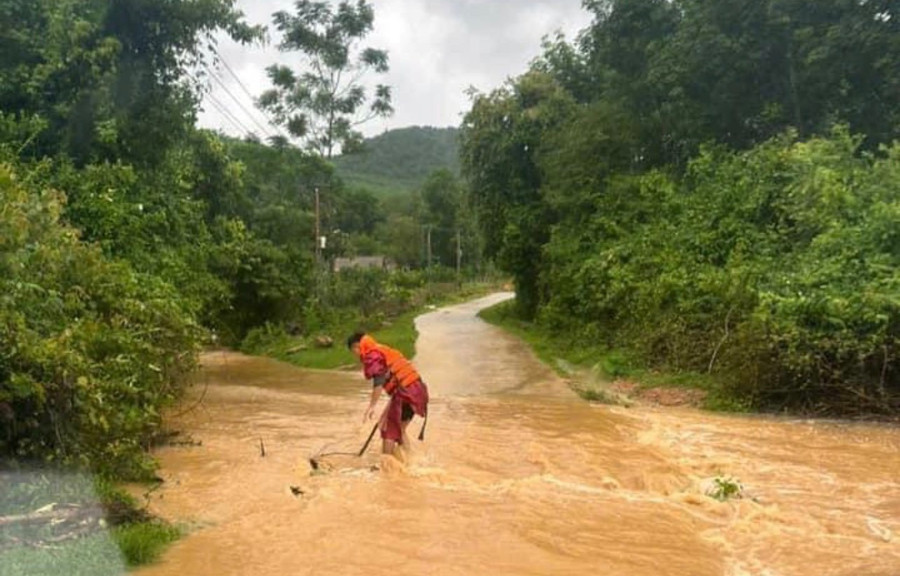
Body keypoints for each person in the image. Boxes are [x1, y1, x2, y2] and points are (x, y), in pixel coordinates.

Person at [347, 332, 429, 456]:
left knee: (387, 428)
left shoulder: (372, 354)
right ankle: (409, 461)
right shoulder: (381, 349)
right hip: (418, 390)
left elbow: (378, 381)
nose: (356, 356)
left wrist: (372, 406)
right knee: (399, 429)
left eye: (354, 352)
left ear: (356, 346)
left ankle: (385, 466)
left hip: (406, 392)